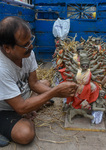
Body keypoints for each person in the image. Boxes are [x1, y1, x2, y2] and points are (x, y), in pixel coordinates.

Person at [0, 16, 78, 147]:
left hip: (21, 97)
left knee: (45, 84)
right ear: (7, 48)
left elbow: (34, 83)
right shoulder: (2, 69)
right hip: (5, 109)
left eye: (31, 40)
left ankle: (30, 107)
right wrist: (55, 92)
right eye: (25, 45)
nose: (31, 46)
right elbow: (20, 107)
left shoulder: (27, 53)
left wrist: (62, 93)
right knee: (25, 134)